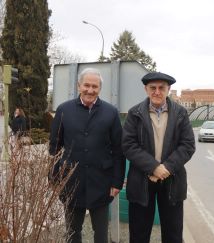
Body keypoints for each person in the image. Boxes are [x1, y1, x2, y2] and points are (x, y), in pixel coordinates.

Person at [49, 68, 125, 243]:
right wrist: (53, 178)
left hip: (102, 183)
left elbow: (118, 150)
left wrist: (116, 182)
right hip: (71, 182)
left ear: (100, 88)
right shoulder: (63, 110)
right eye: (86, 85)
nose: (90, 90)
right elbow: (54, 147)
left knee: (101, 233)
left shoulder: (111, 112)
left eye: (95, 86)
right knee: (72, 231)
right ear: (78, 85)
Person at [122, 72, 196, 243]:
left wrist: (166, 168)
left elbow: (188, 145)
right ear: (146, 89)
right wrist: (154, 167)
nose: (157, 91)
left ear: (168, 89)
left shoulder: (180, 113)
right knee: (139, 234)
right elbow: (128, 145)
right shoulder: (135, 113)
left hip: (173, 180)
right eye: (152, 88)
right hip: (141, 180)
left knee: (173, 235)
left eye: (161, 88)